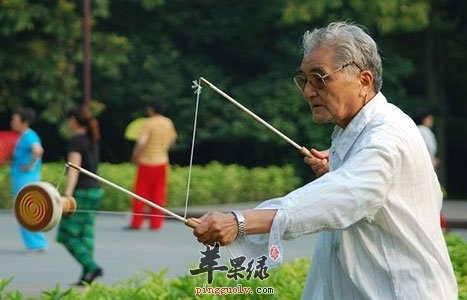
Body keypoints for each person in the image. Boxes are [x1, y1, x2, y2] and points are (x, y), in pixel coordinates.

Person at [192, 21, 458, 299]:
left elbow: (342, 197)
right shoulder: (352, 132)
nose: (308, 91)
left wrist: (240, 222)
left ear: (363, 81)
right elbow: (357, 190)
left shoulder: (386, 138)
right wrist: (338, 170)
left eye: (320, 77)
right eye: (305, 79)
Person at [56, 105, 104, 285]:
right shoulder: (92, 138)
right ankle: (86, 277)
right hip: (95, 191)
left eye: (69, 120)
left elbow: (74, 168)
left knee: (66, 234)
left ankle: (91, 266)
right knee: (86, 234)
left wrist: (68, 193)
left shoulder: (77, 140)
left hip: (81, 192)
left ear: (74, 120)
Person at [125, 98, 177, 230]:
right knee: (159, 194)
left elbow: (142, 142)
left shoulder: (148, 123)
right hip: (162, 162)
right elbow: (172, 139)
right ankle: (156, 224)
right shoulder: (168, 122)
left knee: (140, 194)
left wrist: (135, 155)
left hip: (146, 162)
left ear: (151, 109)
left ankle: (136, 222)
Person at [10, 107, 48, 252]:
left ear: (24, 121)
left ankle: (36, 243)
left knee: (28, 210)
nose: (12, 122)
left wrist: (29, 166)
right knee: (25, 210)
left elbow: (38, 150)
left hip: (27, 178)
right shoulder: (23, 136)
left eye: (15, 119)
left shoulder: (29, 135)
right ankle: (34, 243)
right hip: (21, 178)